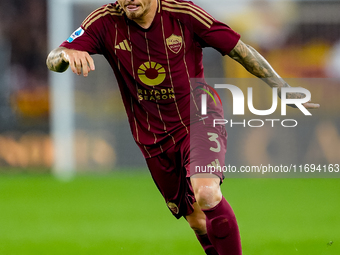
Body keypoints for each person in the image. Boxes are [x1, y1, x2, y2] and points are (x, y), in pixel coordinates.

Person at [46, 0, 319, 254]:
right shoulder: (104, 21)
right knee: (197, 221)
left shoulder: (184, 14)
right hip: (151, 136)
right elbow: (55, 57)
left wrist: (282, 88)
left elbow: (240, 50)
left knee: (207, 193)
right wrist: (64, 55)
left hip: (199, 116)